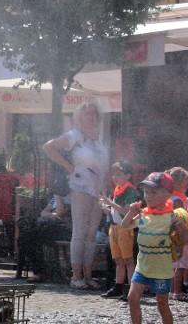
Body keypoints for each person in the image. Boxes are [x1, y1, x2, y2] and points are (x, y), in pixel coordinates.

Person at [42, 101, 109, 290]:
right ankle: (76, 276)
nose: (91, 117)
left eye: (94, 114)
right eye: (87, 114)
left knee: (91, 233)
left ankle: (89, 276)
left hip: (97, 188)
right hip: (80, 186)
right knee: (80, 231)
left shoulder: (100, 138)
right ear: (80, 117)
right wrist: (68, 166)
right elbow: (48, 147)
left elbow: (103, 164)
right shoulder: (75, 136)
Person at [121, 172, 188, 324]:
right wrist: (131, 212)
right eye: (146, 191)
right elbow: (125, 226)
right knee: (132, 298)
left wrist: (181, 226)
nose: (149, 196)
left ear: (168, 194)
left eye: (154, 192)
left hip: (162, 270)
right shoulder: (143, 215)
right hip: (142, 267)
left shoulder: (171, 217)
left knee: (162, 305)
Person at [99, 161, 141, 299]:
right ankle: (118, 287)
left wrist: (110, 203)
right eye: (113, 174)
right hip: (114, 227)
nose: (115, 177)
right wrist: (105, 207)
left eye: (119, 174)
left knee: (128, 260)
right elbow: (113, 212)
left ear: (128, 175)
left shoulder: (130, 191)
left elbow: (126, 211)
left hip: (125, 228)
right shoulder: (118, 189)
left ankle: (131, 288)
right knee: (118, 260)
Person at [17, 192, 72, 283]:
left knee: (32, 234)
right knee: (27, 237)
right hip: (49, 225)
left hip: (65, 228)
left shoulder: (72, 196)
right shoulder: (56, 195)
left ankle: (40, 272)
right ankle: (40, 271)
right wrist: (53, 215)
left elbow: (61, 213)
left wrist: (60, 198)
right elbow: (43, 212)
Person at [166, 166, 188, 301]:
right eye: (186, 185)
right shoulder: (177, 199)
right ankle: (177, 292)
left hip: (171, 235)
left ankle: (171, 291)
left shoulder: (168, 197)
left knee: (173, 265)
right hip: (178, 236)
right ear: (178, 183)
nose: (186, 188)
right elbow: (179, 217)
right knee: (180, 266)